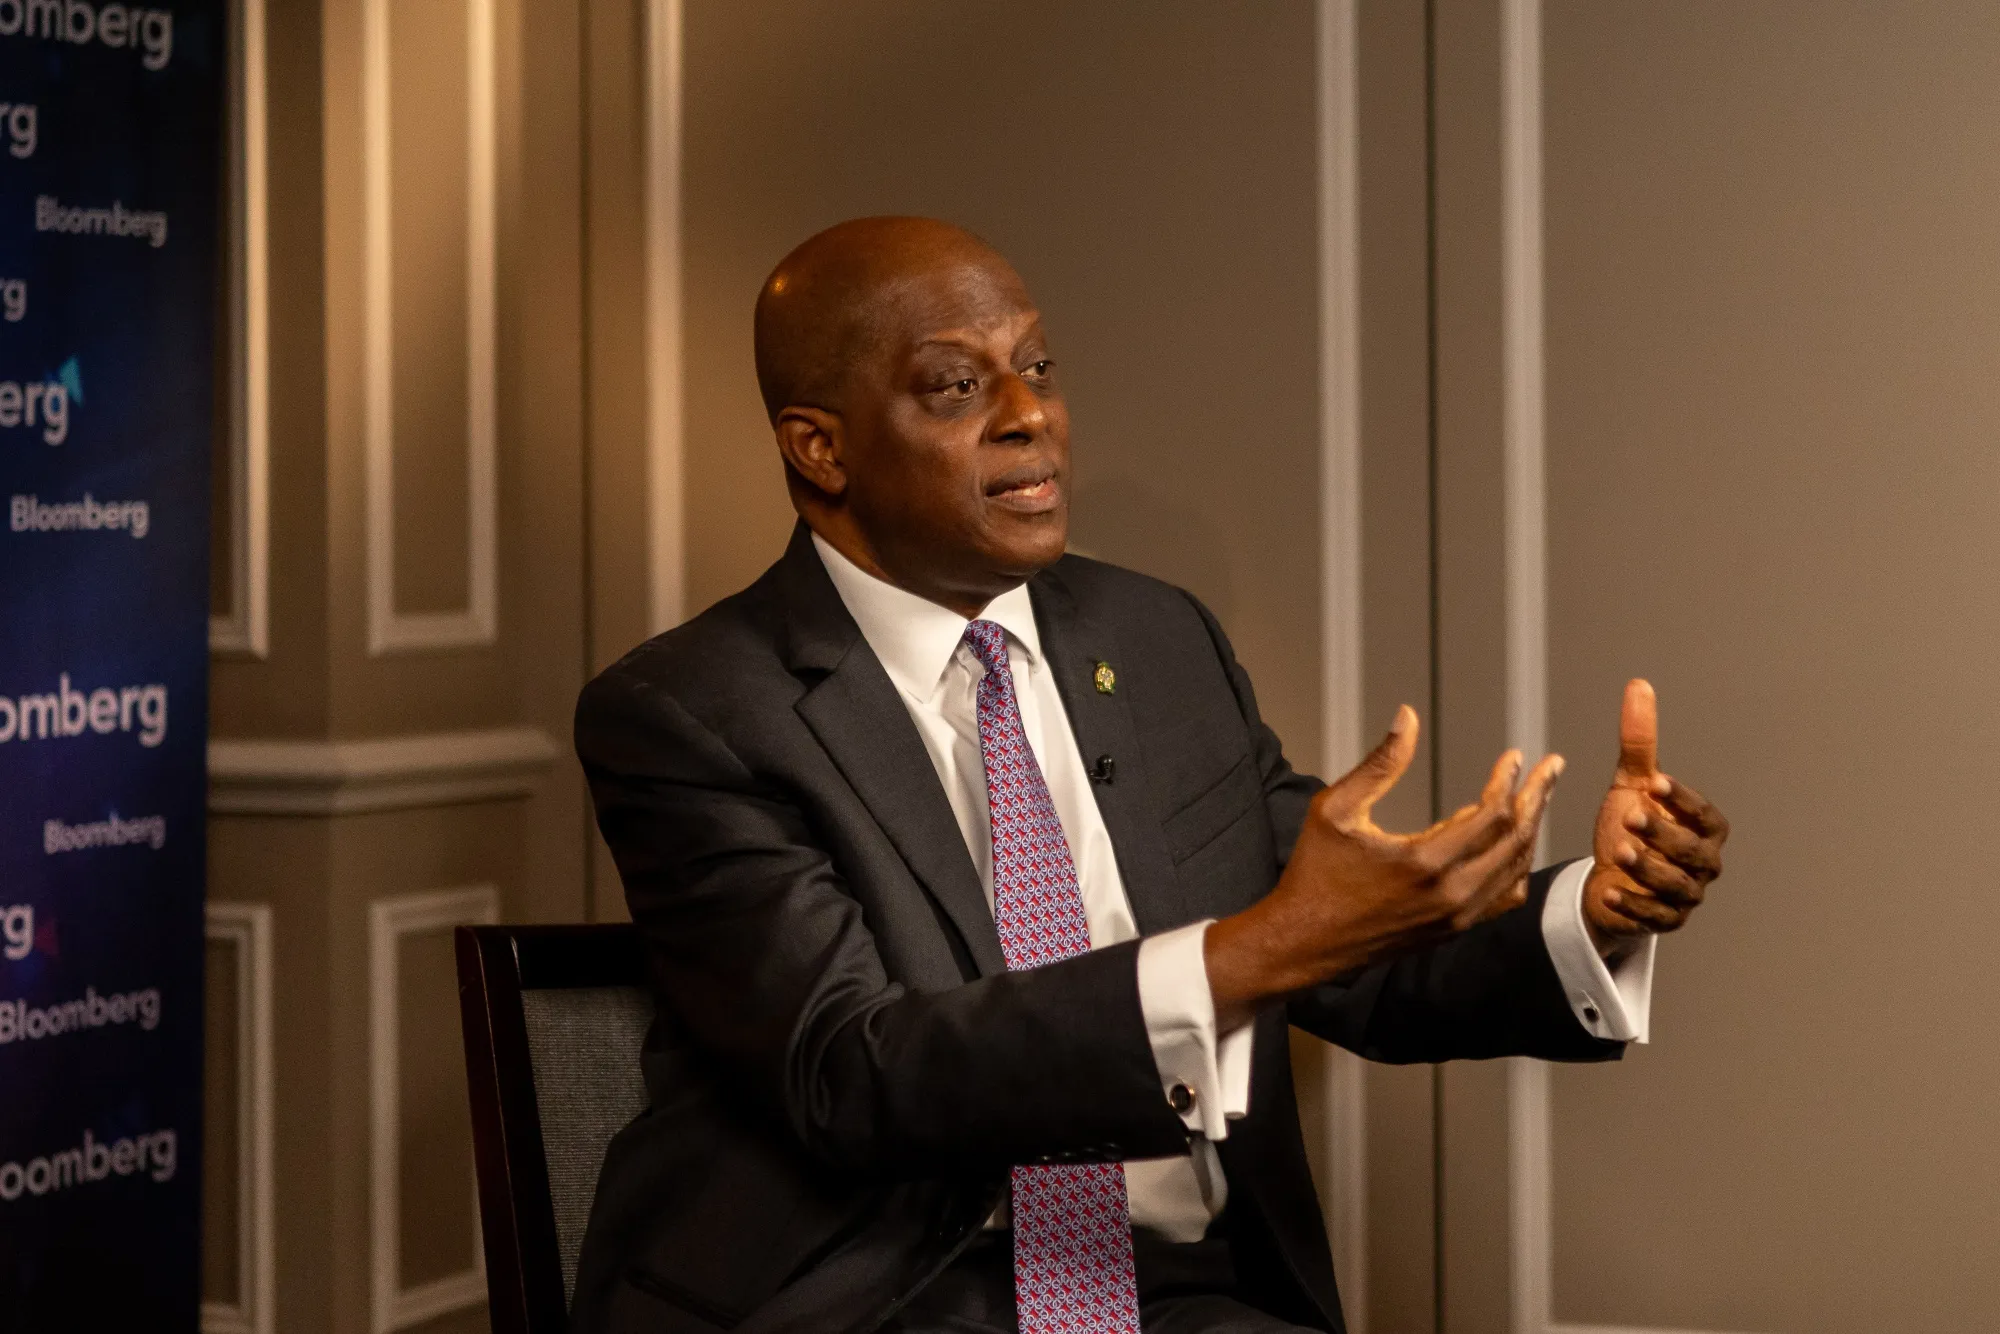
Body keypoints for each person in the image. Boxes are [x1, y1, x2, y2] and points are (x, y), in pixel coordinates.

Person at [570, 217, 1729, 1334]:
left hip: (1176, 1292)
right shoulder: (691, 711)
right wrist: (1250, 951)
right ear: (818, 446)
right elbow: (853, 1073)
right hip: (879, 1297)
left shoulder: (1155, 637)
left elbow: (1342, 945)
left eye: (1036, 367)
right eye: (958, 386)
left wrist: (1591, 908)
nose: (1029, 414)